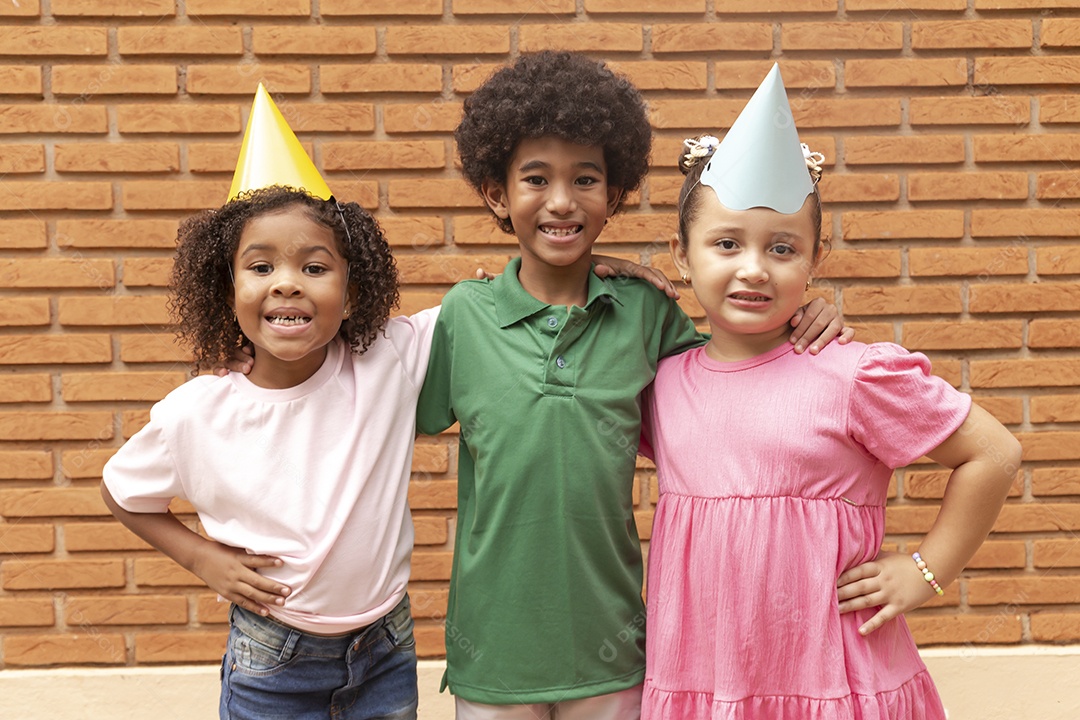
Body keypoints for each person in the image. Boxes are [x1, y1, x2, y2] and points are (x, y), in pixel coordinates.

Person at [414, 52, 852, 719]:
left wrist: (806, 315)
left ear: (613, 195)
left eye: (585, 179)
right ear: (497, 193)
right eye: (536, 178)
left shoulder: (646, 314)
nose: (562, 200)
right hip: (493, 657)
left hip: (613, 652)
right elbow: (370, 411)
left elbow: (738, 379)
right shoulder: (462, 316)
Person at [639, 65, 1021, 719]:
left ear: (816, 258)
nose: (754, 268)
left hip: (834, 683)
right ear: (680, 254)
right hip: (702, 680)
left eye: (782, 248)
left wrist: (927, 570)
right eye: (726, 243)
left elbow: (993, 452)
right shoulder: (660, 380)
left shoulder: (852, 375)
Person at [101, 87, 433, 720]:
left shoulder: (390, 357)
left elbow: (494, 305)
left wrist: (583, 268)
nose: (286, 282)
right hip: (272, 660)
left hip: (386, 649)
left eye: (314, 267)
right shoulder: (195, 412)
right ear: (227, 290)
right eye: (260, 267)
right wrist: (202, 558)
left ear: (352, 292)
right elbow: (122, 491)